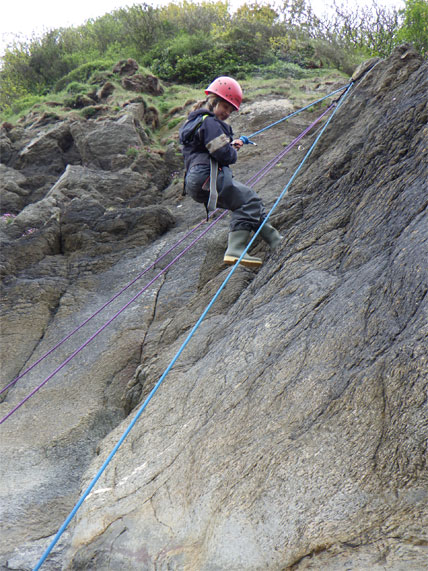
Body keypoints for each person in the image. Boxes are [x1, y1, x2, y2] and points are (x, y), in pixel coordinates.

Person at [179, 76, 281, 268]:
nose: (226, 112)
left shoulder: (195, 122)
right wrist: (232, 150)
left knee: (246, 201)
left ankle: (275, 240)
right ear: (214, 101)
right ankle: (235, 250)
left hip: (196, 180)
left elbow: (208, 147)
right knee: (249, 199)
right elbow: (223, 155)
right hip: (206, 175)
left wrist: (230, 145)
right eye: (224, 106)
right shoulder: (210, 123)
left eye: (230, 109)